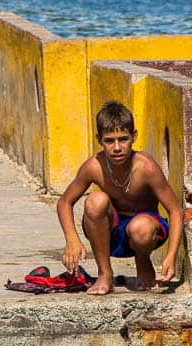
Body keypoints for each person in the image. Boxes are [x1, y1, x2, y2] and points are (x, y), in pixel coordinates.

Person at [56, 101, 183, 295]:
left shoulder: (146, 167)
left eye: (123, 139)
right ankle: (104, 274)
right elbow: (65, 201)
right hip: (109, 234)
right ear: (99, 140)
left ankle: (143, 261)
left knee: (140, 226)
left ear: (134, 136)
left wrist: (171, 256)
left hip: (146, 233)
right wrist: (71, 239)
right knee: (95, 200)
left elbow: (175, 211)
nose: (117, 147)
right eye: (109, 141)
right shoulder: (94, 166)